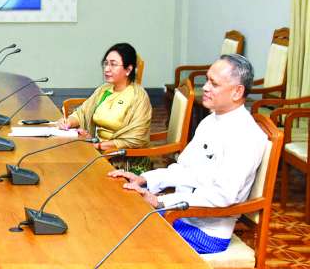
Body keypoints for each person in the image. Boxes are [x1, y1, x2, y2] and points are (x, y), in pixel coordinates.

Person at [108, 54, 267, 254]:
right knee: (118, 216)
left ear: (237, 91)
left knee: (127, 238)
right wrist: (145, 179)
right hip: (180, 215)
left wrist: (161, 202)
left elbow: (223, 196)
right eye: (207, 80)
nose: (206, 87)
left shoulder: (247, 136)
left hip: (206, 234)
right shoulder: (211, 121)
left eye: (214, 84)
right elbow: (184, 169)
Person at [56, 42, 151, 151]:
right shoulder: (104, 90)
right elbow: (82, 114)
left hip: (120, 155)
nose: (106, 69)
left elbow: (137, 138)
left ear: (128, 70)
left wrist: (99, 146)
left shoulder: (138, 96)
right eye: (106, 64)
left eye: (113, 64)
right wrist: (68, 122)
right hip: (96, 147)